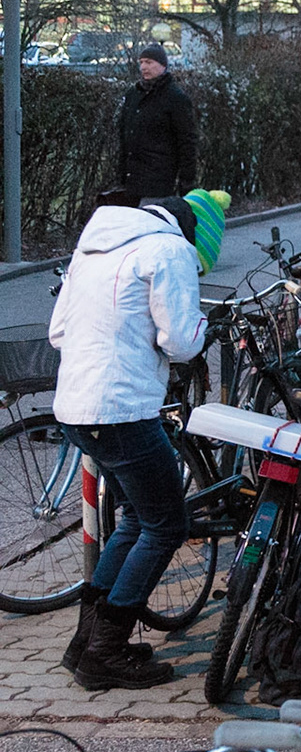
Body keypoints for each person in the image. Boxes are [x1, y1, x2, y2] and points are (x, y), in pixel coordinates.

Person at [51, 188, 229, 691]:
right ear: (194, 237)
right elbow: (182, 341)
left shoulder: (92, 247)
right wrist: (201, 327)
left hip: (75, 409)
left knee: (136, 519)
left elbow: (58, 333)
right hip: (122, 410)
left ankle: (85, 641)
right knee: (167, 526)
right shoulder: (169, 250)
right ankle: (104, 654)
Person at [116, 43, 197, 202]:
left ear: (163, 65)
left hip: (159, 181)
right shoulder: (133, 94)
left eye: (149, 62)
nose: (143, 67)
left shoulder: (175, 98)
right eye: (141, 62)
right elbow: (124, 134)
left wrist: (186, 180)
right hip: (131, 180)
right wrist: (122, 172)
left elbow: (187, 141)